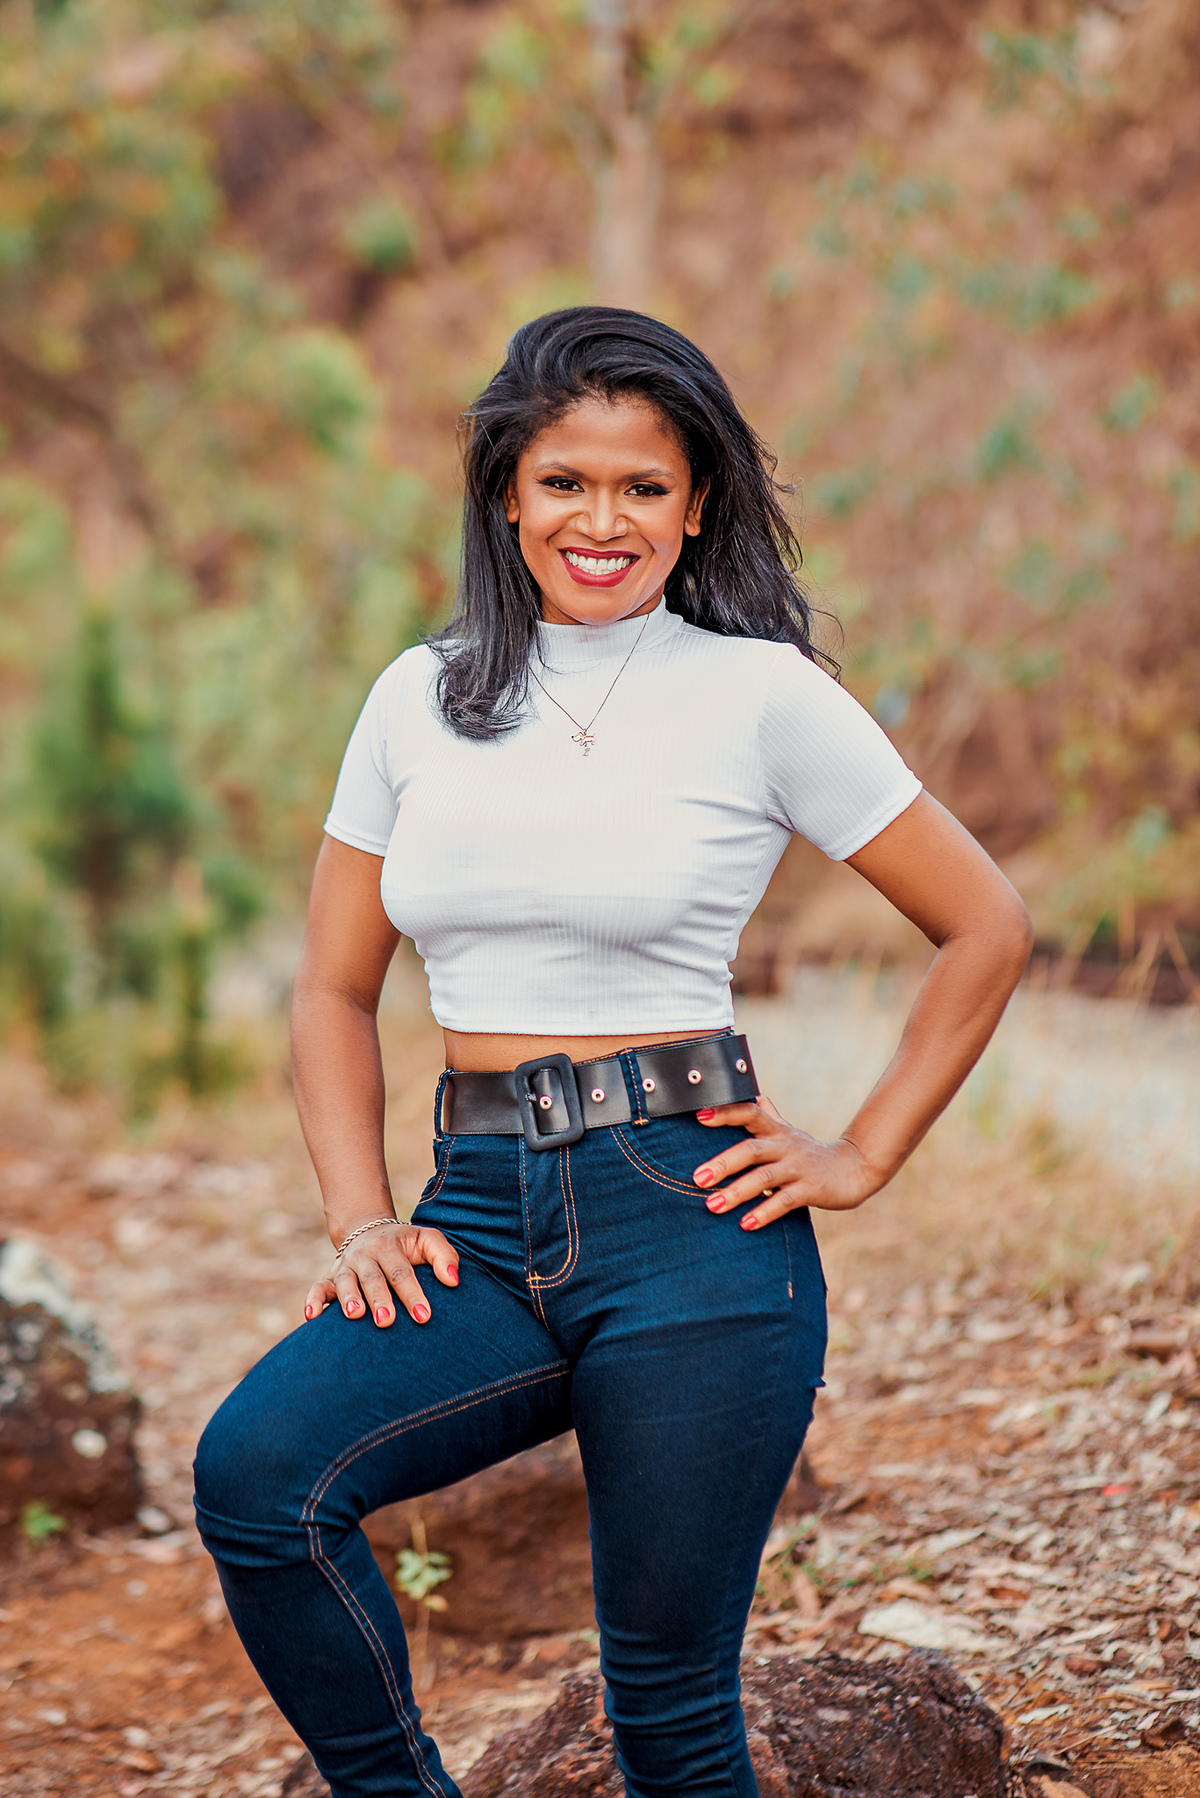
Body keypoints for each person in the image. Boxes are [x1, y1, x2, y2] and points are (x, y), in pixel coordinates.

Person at [194, 307, 1032, 1798]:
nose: (603, 520)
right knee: (261, 1480)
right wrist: (360, 1216)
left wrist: (862, 1151)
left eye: (644, 486)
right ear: (508, 495)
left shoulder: (762, 695)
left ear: (695, 503)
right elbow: (331, 987)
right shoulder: (417, 697)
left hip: (691, 1222)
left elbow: (986, 923)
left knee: (668, 1712)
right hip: (474, 1221)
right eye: (565, 481)